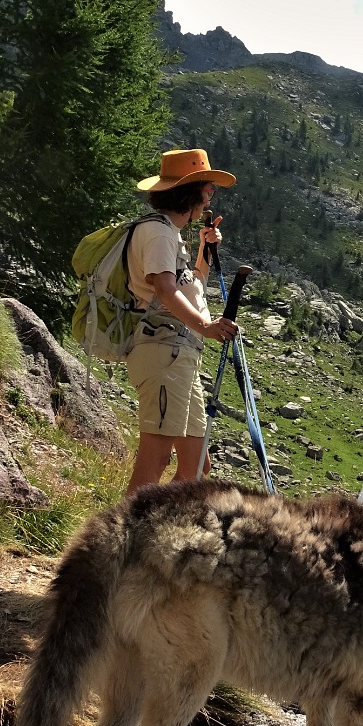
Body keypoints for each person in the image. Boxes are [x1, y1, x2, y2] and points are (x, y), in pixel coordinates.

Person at [122, 148, 238, 498]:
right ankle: (119, 543)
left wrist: (204, 249)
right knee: (155, 459)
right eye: (206, 186)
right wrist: (206, 327)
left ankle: (155, 534)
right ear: (189, 192)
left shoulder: (170, 234)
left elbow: (192, 287)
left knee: (196, 467)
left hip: (179, 354)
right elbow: (163, 288)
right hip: (163, 349)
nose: (211, 194)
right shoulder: (158, 233)